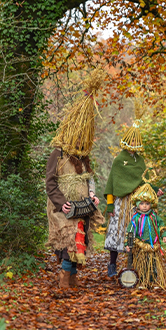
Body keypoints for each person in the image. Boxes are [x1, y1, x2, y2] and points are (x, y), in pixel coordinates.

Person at [46, 71, 105, 289]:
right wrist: (62, 203)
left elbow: (89, 180)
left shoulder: (84, 157)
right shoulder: (58, 154)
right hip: (63, 208)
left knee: (78, 243)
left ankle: (71, 279)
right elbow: (50, 183)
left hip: (82, 209)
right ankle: (64, 280)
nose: (80, 140)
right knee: (68, 242)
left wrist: (92, 195)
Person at [104, 102, 163, 277]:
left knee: (137, 233)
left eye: (135, 141)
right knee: (117, 233)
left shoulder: (140, 161)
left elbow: (142, 180)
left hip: (136, 203)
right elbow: (112, 184)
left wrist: (154, 189)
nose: (132, 144)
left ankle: (136, 267)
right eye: (131, 141)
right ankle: (112, 265)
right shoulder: (118, 160)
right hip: (120, 203)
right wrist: (109, 205)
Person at [125, 183, 166, 288]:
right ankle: (142, 282)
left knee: (153, 264)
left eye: (147, 204)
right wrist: (128, 244)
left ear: (151, 205)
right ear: (137, 205)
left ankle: (153, 281)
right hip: (140, 246)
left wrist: (164, 235)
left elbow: (161, 226)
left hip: (153, 246)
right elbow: (130, 232)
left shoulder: (154, 216)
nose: (144, 206)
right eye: (142, 203)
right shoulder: (136, 218)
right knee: (141, 265)